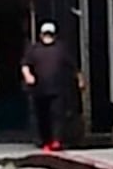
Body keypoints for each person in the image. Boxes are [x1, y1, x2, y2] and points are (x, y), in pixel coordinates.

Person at [25, 14, 76, 152]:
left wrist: (79, 79)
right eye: (46, 34)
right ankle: (46, 141)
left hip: (58, 89)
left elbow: (72, 65)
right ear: (41, 35)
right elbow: (25, 65)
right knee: (43, 116)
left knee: (57, 114)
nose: (47, 36)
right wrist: (28, 76)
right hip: (39, 89)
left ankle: (56, 140)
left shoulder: (61, 49)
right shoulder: (34, 49)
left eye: (50, 34)